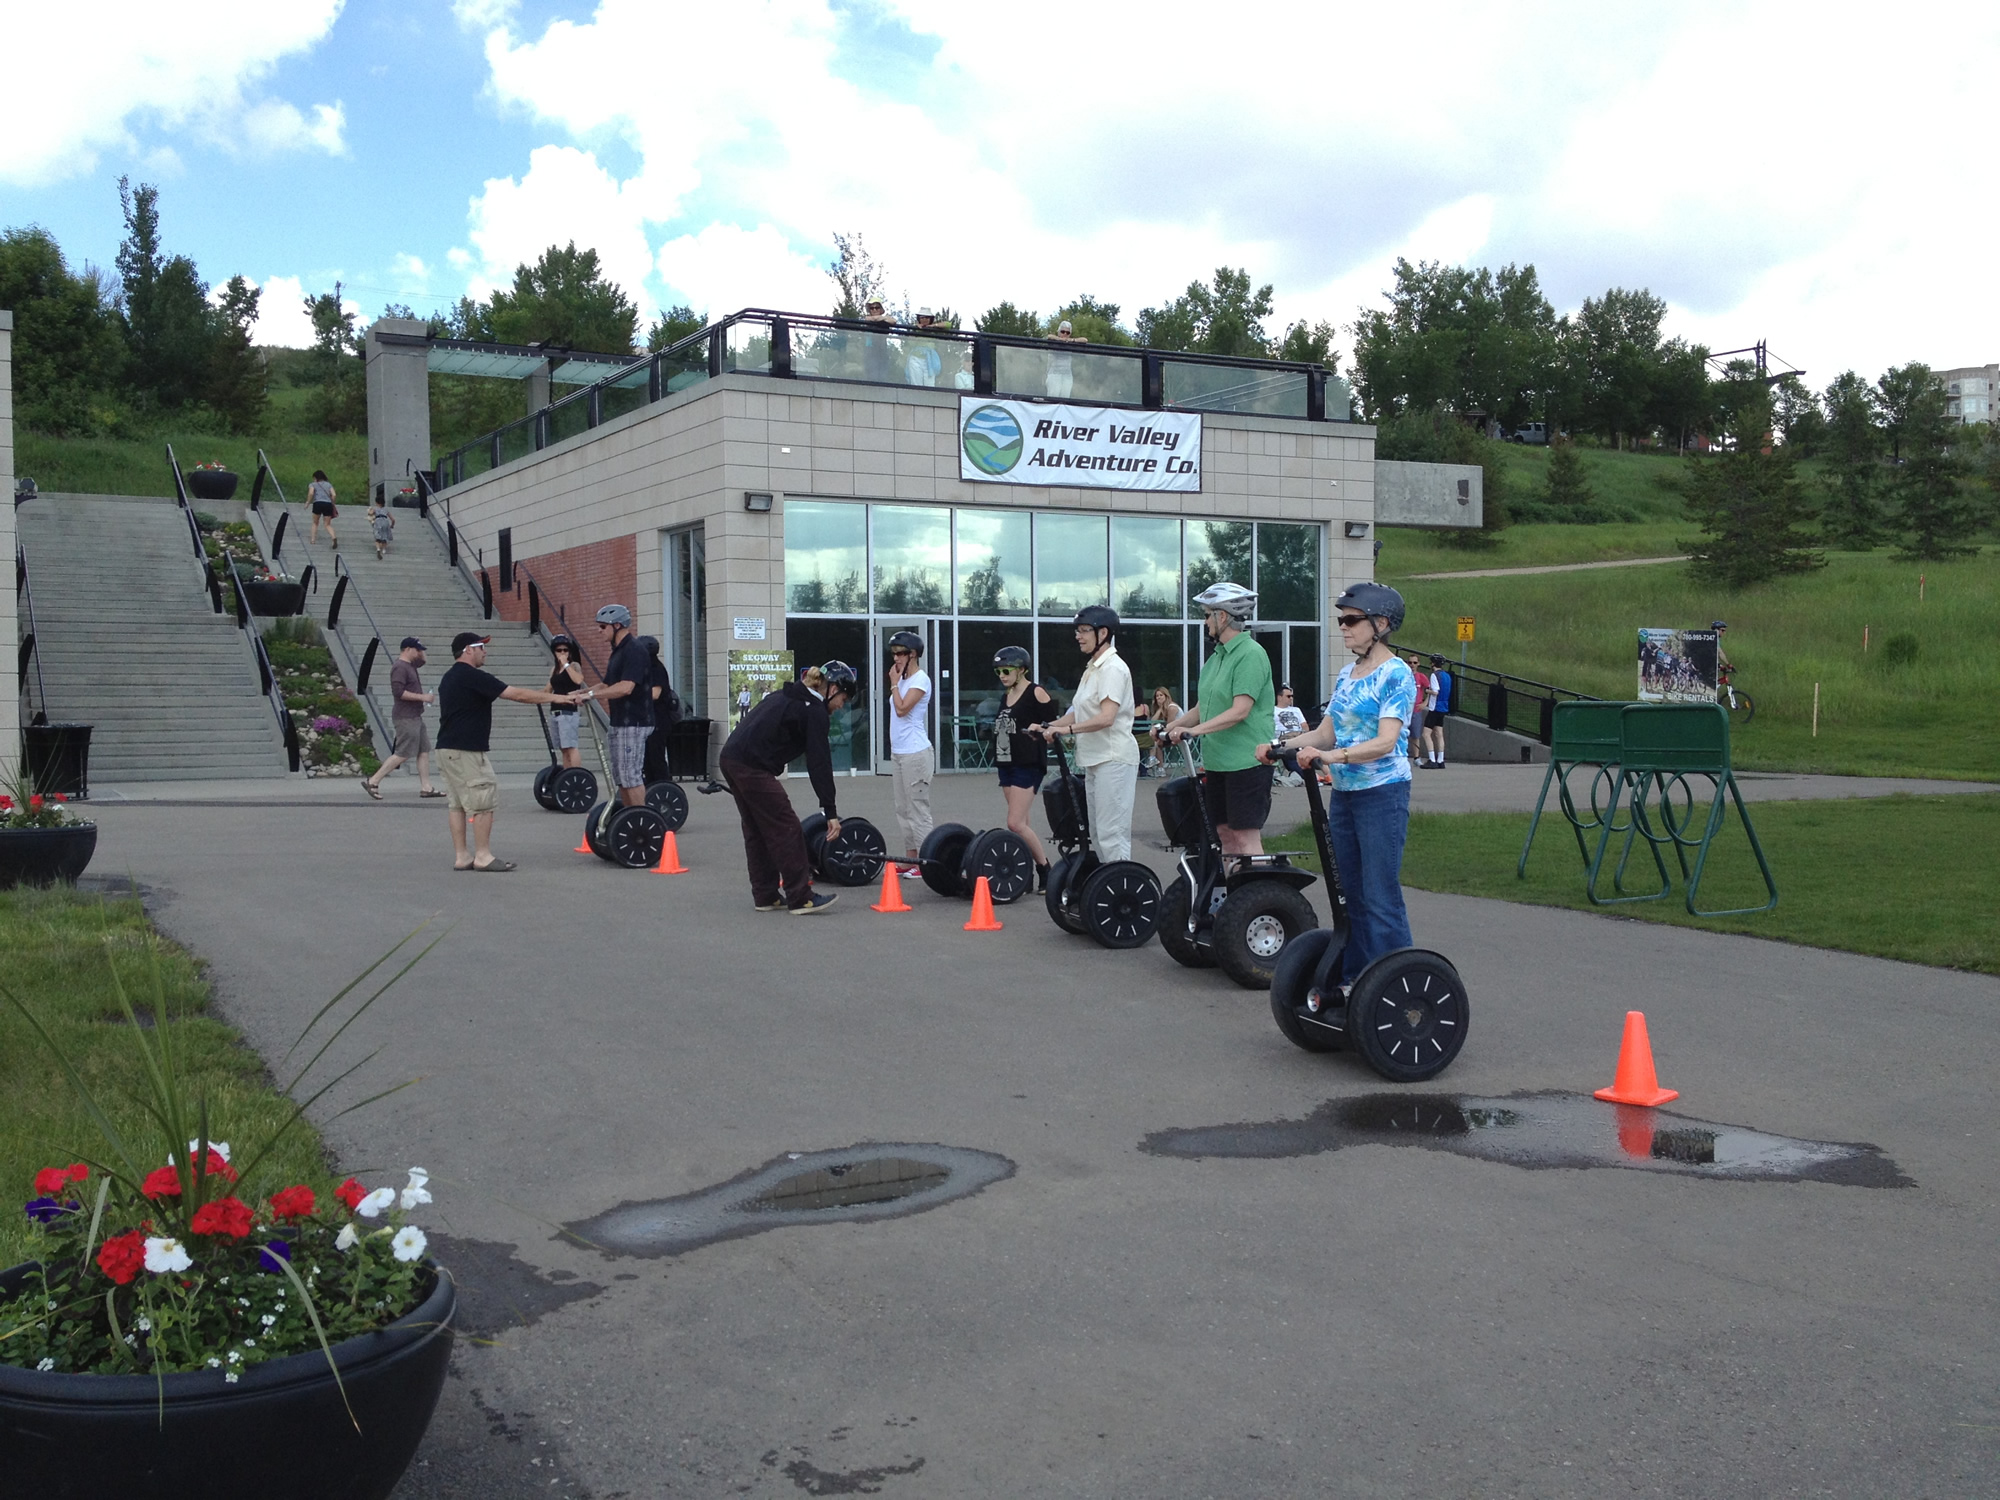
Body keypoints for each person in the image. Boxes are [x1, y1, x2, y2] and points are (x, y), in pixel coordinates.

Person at [1262, 583, 1417, 990]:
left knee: (1380, 895)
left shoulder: (1396, 674)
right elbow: (1325, 733)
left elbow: (1387, 742)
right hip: (1346, 796)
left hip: (1382, 794)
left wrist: (1334, 758)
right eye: (1340, 620)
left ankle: (1397, 983)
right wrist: (1278, 746)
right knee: (1349, 893)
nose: (1343, 627)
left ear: (1381, 624)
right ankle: (1356, 980)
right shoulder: (1348, 674)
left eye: (1351, 620)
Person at [434, 632, 582, 871]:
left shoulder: (449, 677)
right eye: (481, 647)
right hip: (467, 750)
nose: (485, 652)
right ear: (468, 650)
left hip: (446, 748)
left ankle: (462, 856)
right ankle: (483, 856)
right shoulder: (472, 676)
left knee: (457, 804)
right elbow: (516, 694)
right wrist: (559, 698)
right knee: (483, 801)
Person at [718, 661, 856, 914]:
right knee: (787, 828)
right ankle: (801, 897)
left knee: (757, 829)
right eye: (843, 699)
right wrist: (830, 812)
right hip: (752, 766)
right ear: (833, 689)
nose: (841, 707)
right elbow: (819, 763)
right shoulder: (813, 711)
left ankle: (765, 895)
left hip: (731, 758)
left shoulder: (788, 695)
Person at [1161, 581, 1276, 865]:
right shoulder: (1216, 659)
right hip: (1218, 763)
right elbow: (1202, 709)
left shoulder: (1251, 654)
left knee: (1245, 838)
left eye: (1206, 615)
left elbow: (1240, 711)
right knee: (1224, 835)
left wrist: (1193, 731)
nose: (1204, 622)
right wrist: (1169, 728)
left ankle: (1258, 889)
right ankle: (1233, 890)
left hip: (1246, 762)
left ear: (1222, 616)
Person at [1033, 606, 1138, 863]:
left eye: (1084, 631)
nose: (1078, 636)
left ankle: (1121, 880)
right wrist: (1048, 726)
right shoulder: (1092, 668)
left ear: (1103, 633)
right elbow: (1077, 712)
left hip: (1113, 758)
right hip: (1094, 758)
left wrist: (1065, 731)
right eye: (1077, 631)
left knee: (1112, 833)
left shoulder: (1113, 668)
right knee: (1097, 833)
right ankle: (1105, 881)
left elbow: (1107, 717)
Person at [989, 645, 1056, 887]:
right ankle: (1026, 873)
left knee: (1014, 823)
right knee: (1022, 824)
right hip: (1006, 761)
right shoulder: (1006, 696)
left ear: (1022, 669)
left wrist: (1041, 731)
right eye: (998, 671)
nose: (1002, 675)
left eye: (1006, 670)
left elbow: (1052, 724)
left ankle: (1045, 868)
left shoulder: (1036, 692)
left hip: (1028, 763)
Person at [580, 604, 654, 810]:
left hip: (634, 722)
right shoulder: (618, 652)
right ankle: (629, 814)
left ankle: (640, 816)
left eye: (603, 626)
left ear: (617, 625)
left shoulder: (634, 650)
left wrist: (591, 695)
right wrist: (581, 693)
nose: (599, 630)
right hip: (619, 722)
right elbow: (607, 684)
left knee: (630, 775)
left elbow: (626, 687)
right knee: (621, 776)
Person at [364, 637, 442, 800]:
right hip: (405, 717)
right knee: (403, 753)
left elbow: (423, 661)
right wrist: (423, 697)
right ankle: (373, 781)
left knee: (423, 750)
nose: (419, 653)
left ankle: (426, 787)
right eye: (417, 649)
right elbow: (399, 692)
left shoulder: (411, 665)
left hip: (415, 716)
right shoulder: (399, 667)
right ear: (407, 649)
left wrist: (421, 649)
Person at [886, 630, 934, 874]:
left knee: (917, 809)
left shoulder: (920, 680)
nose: (896, 658)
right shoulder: (902, 679)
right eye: (893, 653)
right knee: (902, 808)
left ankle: (926, 860)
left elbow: (902, 709)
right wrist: (897, 683)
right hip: (899, 752)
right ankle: (911, 857)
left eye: (900, 653)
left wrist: (894, 684)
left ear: (913, 654)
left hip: (916, 753)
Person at [639, 635, 680, 785]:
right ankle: (652, 787)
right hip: (648, 720)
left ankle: (664, 787)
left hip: (659, 720)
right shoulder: (645, 668)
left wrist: (633, 694)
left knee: (656, 758)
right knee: (647, 760)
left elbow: (655, 694)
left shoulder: (656, 669)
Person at [546, 634, 585, 770]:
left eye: (565, 650)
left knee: (570, 746)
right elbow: (548, 689)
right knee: (563, 748)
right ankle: (566, 772)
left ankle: (576, 772)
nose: (562, 653)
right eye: (559, 650)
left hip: (568, 711)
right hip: (555, 710)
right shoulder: (554, 670)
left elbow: (578, 680)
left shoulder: (573, 666)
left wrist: (566, 664)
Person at [1273, 683, 1308, 788]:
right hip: (1284, 738)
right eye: (1288, 696)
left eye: (1292, 696)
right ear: (1279, 697)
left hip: (1299, 736)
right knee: (1292, 753)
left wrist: (1302, 734)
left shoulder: (1296, 710)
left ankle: (1327, 775)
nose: (1291, 698)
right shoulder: (1273, 710)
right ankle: (1306, 775)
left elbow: (1305, 726)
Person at [1143, 684, 1182, 776]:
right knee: (1157, 740)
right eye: (1157, 696)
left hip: (1179, 734)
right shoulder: (1163, 708)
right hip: (1170, 733)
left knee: (1157, 740)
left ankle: (1155, 762)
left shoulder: (1172, 708)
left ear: (1166, 696)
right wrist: (1160, 708)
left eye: (1161, 695)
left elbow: (1170, 725)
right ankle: (1158, 766)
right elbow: (1153, 721)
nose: (1159, 697)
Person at [1424, 655, 1452, 768]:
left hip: (1435, 707)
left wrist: (1427, 691)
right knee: (1439, 734)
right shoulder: (1447, 676)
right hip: (1444, 707)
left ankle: (1432, 759)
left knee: (1426, 734)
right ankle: (1441, 760)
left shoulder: (1434, 675)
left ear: (1433, 664)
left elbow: (1435, 691)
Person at [904, 308, 942, 386]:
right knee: (916, 385)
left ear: (930, 319)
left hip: (930, 361)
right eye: (922, 317)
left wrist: (933, 326)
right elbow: (910, 343)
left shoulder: (934, 330)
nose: (924, 319)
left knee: (930, 386)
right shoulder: (915, 329)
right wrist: (916, 328)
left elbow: (948, 325)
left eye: (927, 317)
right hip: (916, 359)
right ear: (919, 318)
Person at [1046, 319, 1080, 399]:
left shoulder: (1071, 344)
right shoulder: (1054, 342)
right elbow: (1049, 336)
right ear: (1058, 332)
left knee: (1065, 398)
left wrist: (1071, 340)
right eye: (1063, 331)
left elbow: (1085, 340)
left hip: (1067, 375)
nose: (1065, 334)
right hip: (1054, 373)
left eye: (1067, 333)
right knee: (1053, 397)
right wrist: (1060, 340)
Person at [1405, 655, 1430, 766]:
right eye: (1410, 663)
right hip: (1404, 710)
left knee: (1415, 734)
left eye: (1414, 663)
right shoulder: (1404, 676)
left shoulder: (1421, 677)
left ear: (1418, 664)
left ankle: (1416, 757)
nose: (1412, 665)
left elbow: (1431, 690)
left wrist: (1425, 703)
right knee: (1402, 733)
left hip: (1416, 709)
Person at [306, 470, 339, 548]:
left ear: (316, 478)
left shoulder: (313, 484)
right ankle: (333, 537)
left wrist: (308, 502)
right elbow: (334, 495)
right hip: (328, 504)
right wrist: (332, 503)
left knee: (315, 522)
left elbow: (311, 493)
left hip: (317, 503)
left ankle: (313, 540)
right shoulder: (328, 484)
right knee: (327, 524)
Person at [366, 495, 394, 560]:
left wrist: (369, 510)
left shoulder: (375, 509)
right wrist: (392, 525)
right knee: (385, 535)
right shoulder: (386, 510)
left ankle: (378, 549)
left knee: (377, 536)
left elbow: (370, 514)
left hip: (378, 522)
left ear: (376, 502)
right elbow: (393, 519)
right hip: (385, 522)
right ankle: (384, 549)